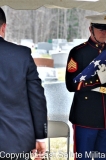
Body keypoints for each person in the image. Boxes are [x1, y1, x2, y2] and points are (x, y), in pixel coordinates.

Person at [65, 14, 106, 160]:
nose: (104, 33)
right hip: (85, 114)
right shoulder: (78, 52)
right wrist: (97, 79)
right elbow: (70, 84)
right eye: (100, 29)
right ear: (91, 29)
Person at [0, 7, 47, 160]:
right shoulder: (21, 55)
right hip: (15, 141)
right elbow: (37, 99)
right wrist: (41, 136)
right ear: (4, 27)